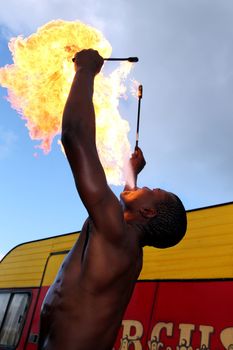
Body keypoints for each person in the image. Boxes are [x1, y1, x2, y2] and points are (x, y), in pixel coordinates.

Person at [38, 49, 187, 350]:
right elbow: (118, 210)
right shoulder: (123, 242)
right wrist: (131, 173)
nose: (146, 186)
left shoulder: (115, 234)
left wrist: (86, 70)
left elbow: (75, 136)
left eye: (154, 189)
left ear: (147, 211)